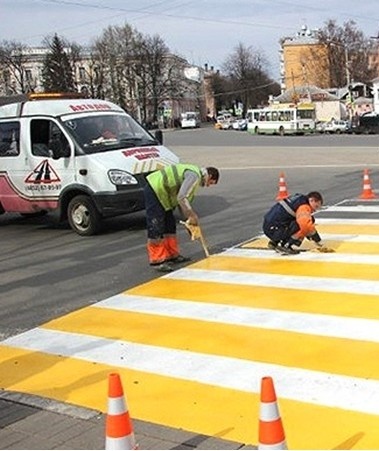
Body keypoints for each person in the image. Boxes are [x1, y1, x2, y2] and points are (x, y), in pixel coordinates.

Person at [143, 163, 220, 272]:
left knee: (169, 225)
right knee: (156, 225)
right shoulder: (194, 176)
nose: (208, 185)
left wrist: (189, 221)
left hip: (165, 195)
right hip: (155, 189)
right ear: (210, 176)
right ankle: (157, 260)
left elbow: (182, 203)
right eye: (210, 183)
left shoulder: (194, 179)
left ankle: (172, 254)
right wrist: (192, 215)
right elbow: (182, 197)